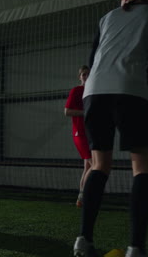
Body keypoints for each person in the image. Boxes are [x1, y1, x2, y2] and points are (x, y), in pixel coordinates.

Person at [73, 0, 148, 256]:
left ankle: (83, 240)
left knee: (99, 165)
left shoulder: (106, 18)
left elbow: (94, 58)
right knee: (142, 167)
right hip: (129, 89)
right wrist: (140, 81)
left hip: (94, 92)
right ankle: (136, 248)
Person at [65, 65, 93, 208]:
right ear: (80, 77)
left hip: (92, 132)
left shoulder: (93, 91)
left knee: (88, 166)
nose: (86, 76)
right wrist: (85, 113)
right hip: (80, 133)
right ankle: (85, 196)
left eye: (89, 74)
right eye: (84, 74)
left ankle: (81, 199)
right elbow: (67, 111)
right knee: (94, 164)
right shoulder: (76, 91)